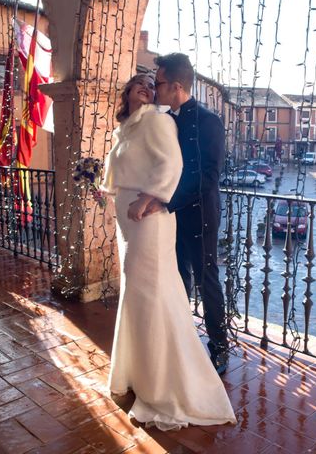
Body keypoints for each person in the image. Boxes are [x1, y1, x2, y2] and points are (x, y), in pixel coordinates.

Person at [102, 74, 236, 430]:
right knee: (135, 292)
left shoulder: (160, 121)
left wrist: (150, 199)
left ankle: (164, 380)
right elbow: (121, 171)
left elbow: (171, 166)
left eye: (153, 83)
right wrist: (109, 189)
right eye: (140, 83)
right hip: (127, 217)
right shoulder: (125, 129)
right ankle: (137, 369)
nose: (147, 87)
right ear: (127, 92)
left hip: (150, 215)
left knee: (153, 291)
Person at [136, 52, 230, 375]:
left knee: (207, 280)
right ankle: (182, 339)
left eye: (159, 82)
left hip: (201, 215)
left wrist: (165, 201)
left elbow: (207, 177)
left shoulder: (210, 122)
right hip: (172, 216)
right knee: (178, 279)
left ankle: (220, 347)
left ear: (176, 86)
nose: (156, 88)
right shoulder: (169, 121)